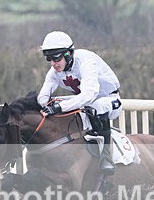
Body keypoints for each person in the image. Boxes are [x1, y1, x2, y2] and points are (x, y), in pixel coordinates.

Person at [37, 31, 122, 174]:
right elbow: (43, 97)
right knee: (55, 104)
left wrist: (60, 107)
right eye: (49, 58)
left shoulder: (86, 61)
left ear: (68, 54)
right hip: (85, 103)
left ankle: (106, 157)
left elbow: (90, 94)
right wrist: (48, 105)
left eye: (56, 58)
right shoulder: (54, 71)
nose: (53, 63)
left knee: (96, 106)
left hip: (109, 100)